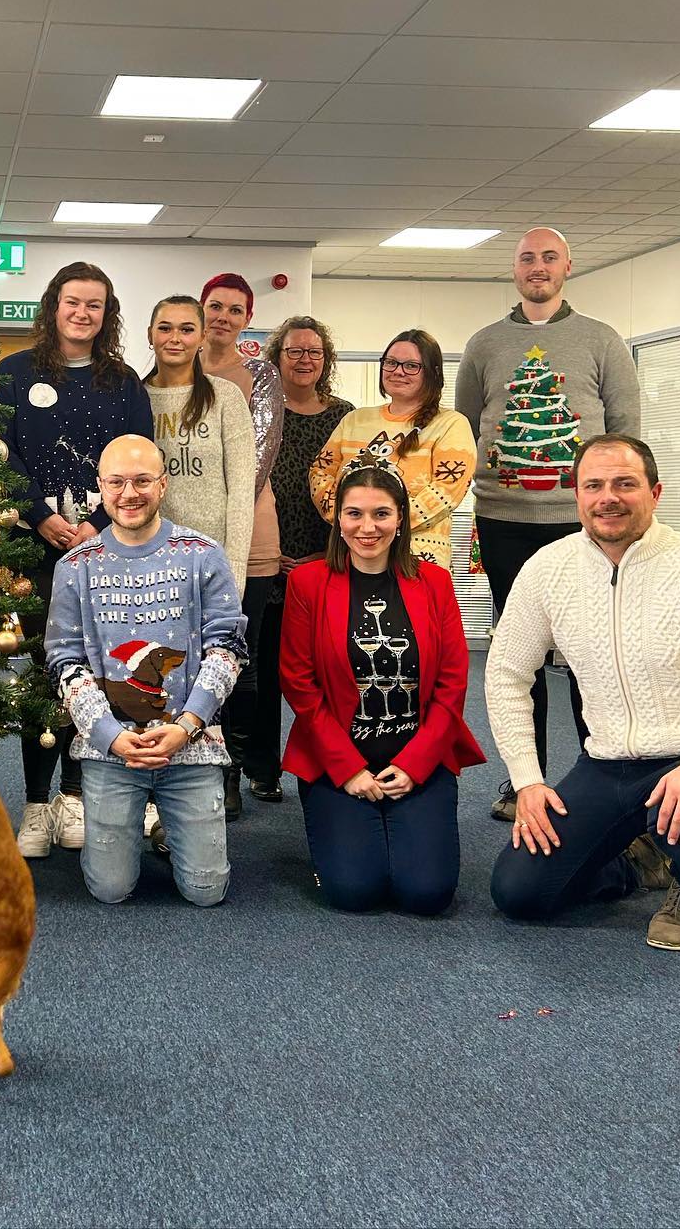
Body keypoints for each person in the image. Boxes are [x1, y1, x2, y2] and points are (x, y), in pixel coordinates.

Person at [487, 435, 680, 952]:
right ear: (577, 496)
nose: (609, 497)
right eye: (594, 485)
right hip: (609, 763)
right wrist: (528, 782)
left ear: (654, 492)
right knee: (520, 892)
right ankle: (641, 865)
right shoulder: (548, 569)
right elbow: (506, 675)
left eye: (625, 483)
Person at [456, 227, 640, 821]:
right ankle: (521, 781)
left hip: (584, 525)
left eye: (549, 257)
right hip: (504, 519)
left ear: (568, 266)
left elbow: (626, 433)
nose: (538, 267)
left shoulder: (602, 340)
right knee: (518, 658)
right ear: (514, 269)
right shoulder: (484, 343)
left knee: (594, 655)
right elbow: (461, 429)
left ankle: (600, 778)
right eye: (527, 258)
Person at [0, 263, 153, 859]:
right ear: (52, 308)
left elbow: (143, 460)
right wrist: (39, 515)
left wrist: (98, 525)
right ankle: (37, 804)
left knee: (94, 673)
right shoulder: (12, 374)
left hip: (106, 552)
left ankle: (76, 794)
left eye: (95, 305)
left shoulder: (125, 382)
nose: (83, 314)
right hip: (30, 549)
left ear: (107, 314)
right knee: (40, 675)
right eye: (72, 303)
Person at [45, 435, 246, 906]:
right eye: (116, 482)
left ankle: (173, 825)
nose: (128, 493)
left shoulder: (203, 555)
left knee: (206, 892)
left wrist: (187, 726)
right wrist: (110, 735)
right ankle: (138, 824)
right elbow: (64, 660)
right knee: (110, 889)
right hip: (110, 749)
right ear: (100, 487)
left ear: (163, 484)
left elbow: (228, 649)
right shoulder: (75, 567)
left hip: (191, 745)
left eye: (141, 481)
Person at [280, 463, 485, 915]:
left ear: (401, 520)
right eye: (354, 514)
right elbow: (299, 683)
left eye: (381, 514)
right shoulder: (307, 583)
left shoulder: (434, 582)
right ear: (337, 519)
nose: (367, 527)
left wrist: (414, 765)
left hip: (418, 755)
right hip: (338, 757)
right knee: (354, 892)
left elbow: (452, 683)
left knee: (426, 895)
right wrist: (349, 769)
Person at [251, 316, 354, 802]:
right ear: (277, 357)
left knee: (329, 673)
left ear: (326, 359)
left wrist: (324, 555)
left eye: (314, 352)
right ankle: (262, 769)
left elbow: (357, 488)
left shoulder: (346, 418)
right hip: (269, 560)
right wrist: (275, 555)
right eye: (294, 351)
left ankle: (332, 764)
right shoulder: (258, 412)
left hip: (329, 561)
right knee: (266, 670)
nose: (305, 360)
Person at [198, 273, 284, 819]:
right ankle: (186, 766)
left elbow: (258, 455)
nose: (222, 317)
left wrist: (221, 520)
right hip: (176, 536)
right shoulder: (164, 370)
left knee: (238, 657)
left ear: (247, 319)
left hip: (250, 533)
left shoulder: (259, 374)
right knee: (179, 655)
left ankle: (230, 770)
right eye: (215, 307)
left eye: (235, 310)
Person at [310, 327, 476, 570]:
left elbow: (447, 491)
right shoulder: (354, 420)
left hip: (418, 559)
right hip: (353, 555)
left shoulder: (451, 424)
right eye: (391, 363)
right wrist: (349, 520)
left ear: (432, 373)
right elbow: (320, 472)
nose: (398, 371)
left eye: (411, 365)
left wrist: (383, 524)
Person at [142, 295, 254, 590]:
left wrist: (234, 570)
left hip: (210, 560)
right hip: (146, 559)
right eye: (165, 328)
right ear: (150, 334)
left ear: (202, 337)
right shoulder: (135, 399)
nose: (175, 338)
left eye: (187, 329)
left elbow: (242, 492)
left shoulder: (225, 397)